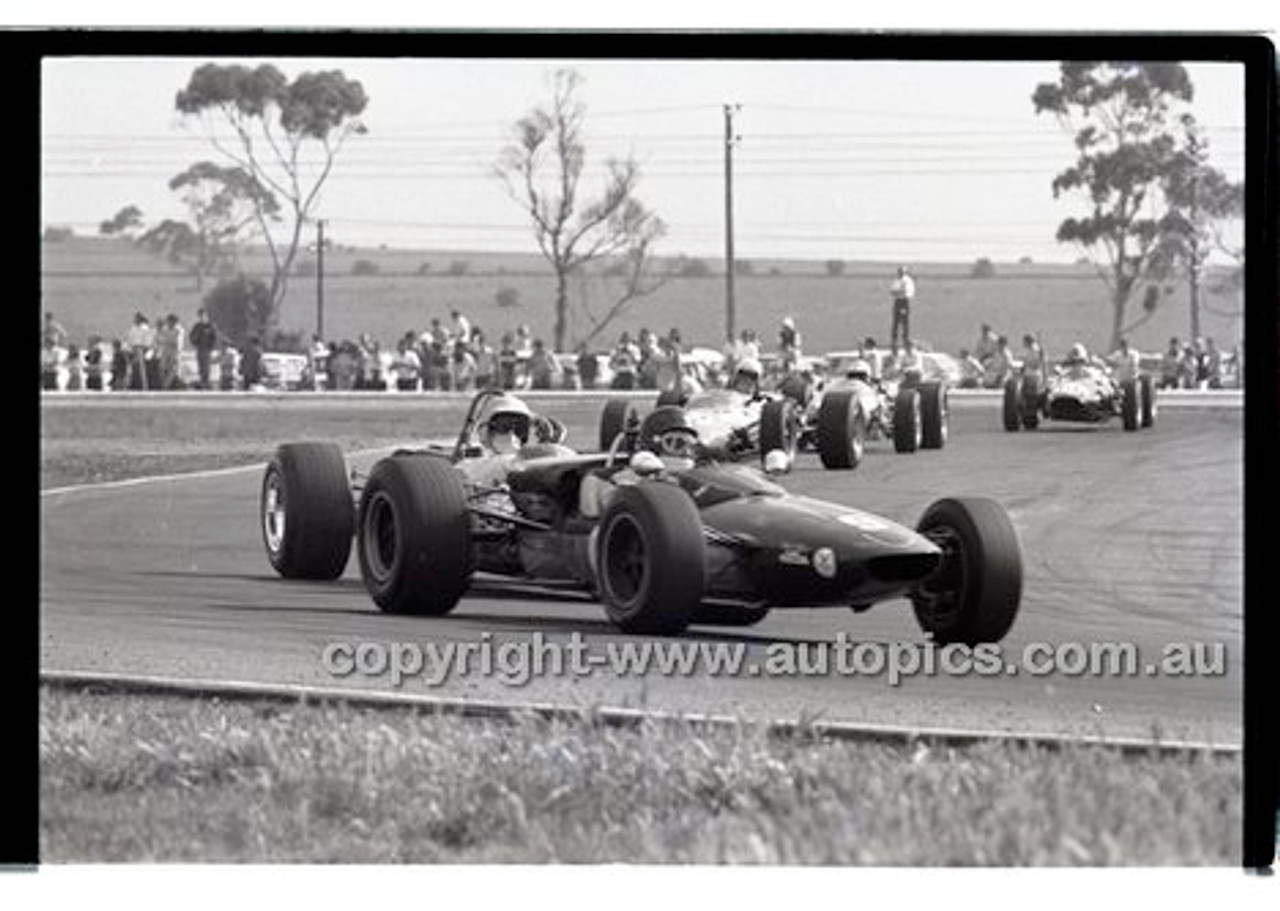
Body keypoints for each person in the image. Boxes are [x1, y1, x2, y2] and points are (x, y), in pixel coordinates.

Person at [189, 309, 219, 390]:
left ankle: (206, 382)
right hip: (200, 349)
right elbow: (192, 337)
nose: (202, 317)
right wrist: (195, 343)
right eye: (200, 315)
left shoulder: (210, 326)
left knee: (207, 367)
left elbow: (214, 337)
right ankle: (202, 382)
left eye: (203, 315)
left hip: (207, 350)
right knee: (201, 366)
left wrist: (211, 347)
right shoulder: (197, 326)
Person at [888, 266, 915, 355]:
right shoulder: (897, 280)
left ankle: (905, 339)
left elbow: (906, 292)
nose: (899, 273)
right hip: (897, 301)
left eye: (901, 271)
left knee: (904, 321)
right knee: (895, 321)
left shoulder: (907, 280)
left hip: (904, 301)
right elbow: (892, 291)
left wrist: (898, 291)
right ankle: (894, 339)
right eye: (899, 271)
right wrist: (897, 292)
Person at [124, 312, 154, 390]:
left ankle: (144, 386)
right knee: (133, 370)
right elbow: (129, 340)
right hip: (134, 351)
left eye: (136, 318)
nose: (135, 320)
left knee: (142, 371)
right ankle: (134, 386)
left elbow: (147, 342)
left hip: (142, 351)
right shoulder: (133, 328)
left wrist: (142, 351)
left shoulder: (145, 328)